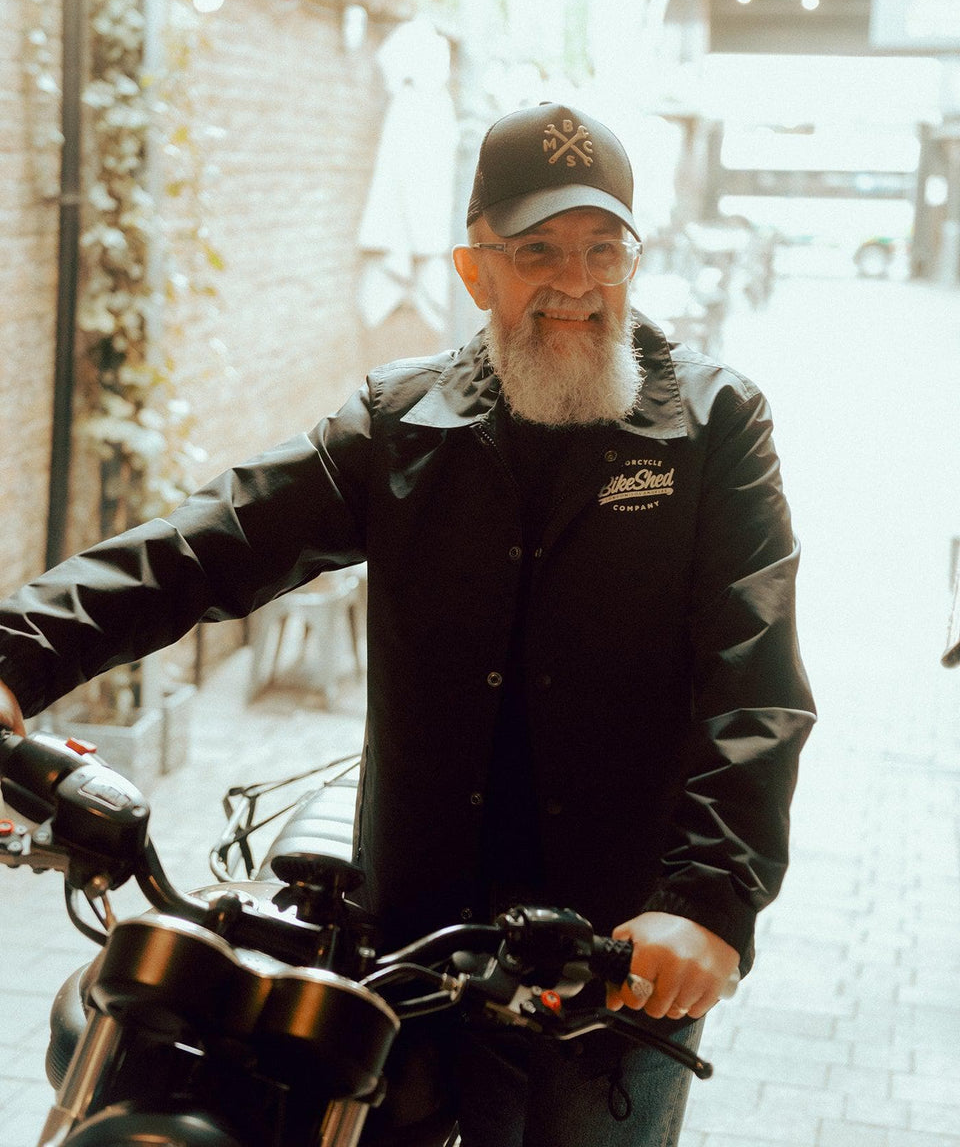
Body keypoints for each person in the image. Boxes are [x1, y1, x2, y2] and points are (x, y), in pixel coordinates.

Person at [0, 102, 815, 1146]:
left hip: (621, 949)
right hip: (413, 937)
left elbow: (758, 679)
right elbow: (208, 543)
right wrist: (18, 652)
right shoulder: (402, 424)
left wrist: (708, 904)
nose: (576, 283)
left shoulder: (714, 425)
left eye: (602, 251)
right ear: (476, 270)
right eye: (538, 252)